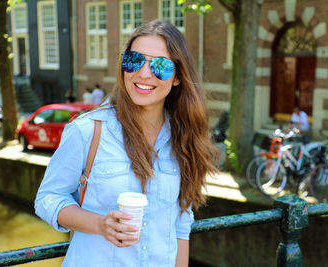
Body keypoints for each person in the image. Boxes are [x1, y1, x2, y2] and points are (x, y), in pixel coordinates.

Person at [35, 20, 219, 267]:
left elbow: (181, 223)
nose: (143, 73)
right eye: (134, 60)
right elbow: (48, 198)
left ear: (177, 77)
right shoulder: (87, 130)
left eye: (161, 66)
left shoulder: (183, 138)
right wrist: (99, 224)